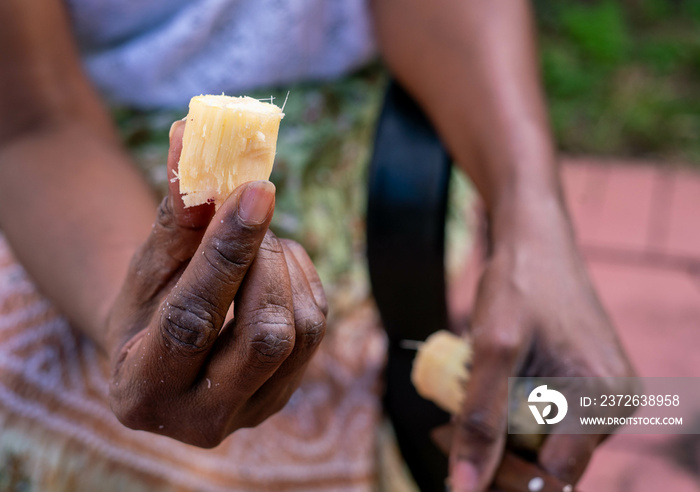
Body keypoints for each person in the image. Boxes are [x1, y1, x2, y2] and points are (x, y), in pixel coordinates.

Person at [0, 0, 634, 491]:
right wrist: (131, 313)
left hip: (358, 140)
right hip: (85, 171)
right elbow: (33, 118)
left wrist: (535, 225)